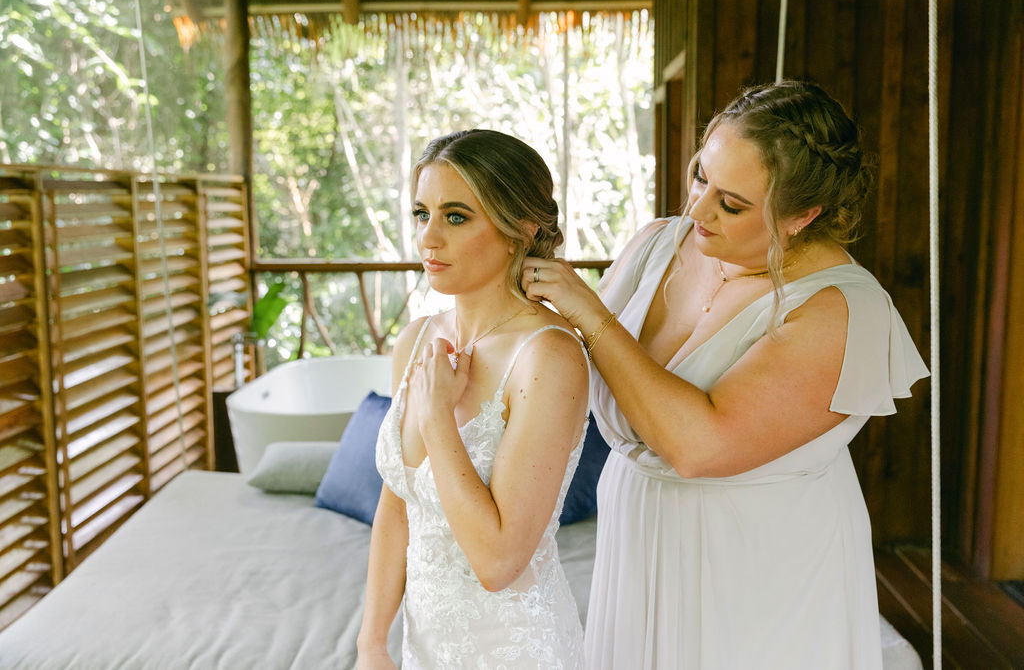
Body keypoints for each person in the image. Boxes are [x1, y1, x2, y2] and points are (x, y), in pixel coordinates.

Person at [523, 80, 929, 669]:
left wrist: (588, 311)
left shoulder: (838, 310)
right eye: (700, 176)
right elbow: (574, 364)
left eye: (731, 203)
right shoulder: (660, 244)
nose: (697, 210)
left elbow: (698, 445)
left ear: (801, 216)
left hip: (752, 564)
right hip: (636, 531)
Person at [357, 129, 590, 669]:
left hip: (511, 649)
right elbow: (398, 503)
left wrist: (437, 417)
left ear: (519, 230)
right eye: (422, 213)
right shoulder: (416, 340)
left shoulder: (547, 357)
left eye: (456, 216)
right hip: (424, 648)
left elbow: (499, 561)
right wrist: (372, 643)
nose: (428, 238)